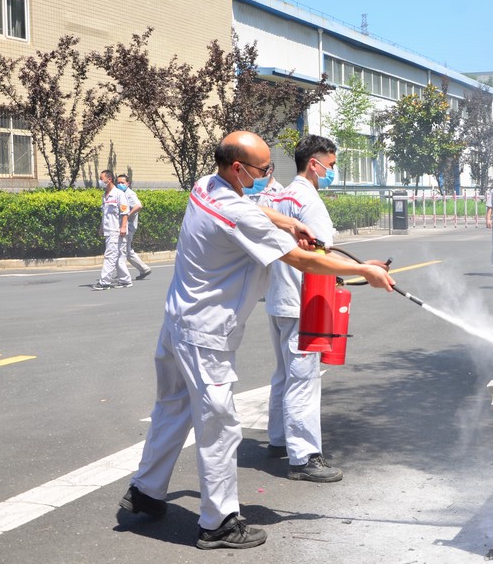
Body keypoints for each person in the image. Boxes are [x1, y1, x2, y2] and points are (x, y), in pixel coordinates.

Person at [118, 131, 394, 550]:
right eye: (263, 170)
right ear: (237, 168)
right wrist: (365, 272)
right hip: (204, 334)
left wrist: (289, 221)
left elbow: (257, 210)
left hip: (177, 323)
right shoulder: (235, 210)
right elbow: (299, 258)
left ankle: (146, 491)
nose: (268, 176)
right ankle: (218, 523)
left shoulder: (205, 186)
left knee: (172, 411)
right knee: (220, 427)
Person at [266, 134, 363, 484]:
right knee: (303, 380)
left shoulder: (279, 195)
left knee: (283, 373)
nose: (333, 171)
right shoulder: (309, 202)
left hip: (279, 296)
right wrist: (361, 271)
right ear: (315, 164)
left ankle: (278, 439)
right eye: (332, 165)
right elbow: (322, 257)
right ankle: (304, 456)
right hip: (302, 300)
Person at [93, 170, 132, 290]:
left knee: (110, 256)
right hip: (108, 230)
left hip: (116, 230)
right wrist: (101, 228)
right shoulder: (105, 195)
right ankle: (125, 280)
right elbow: (104, 214)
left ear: (109, 179)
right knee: (119, 256)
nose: (100, 181)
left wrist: (123, 227)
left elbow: (124, 212)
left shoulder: (119, 194)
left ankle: (104, 282)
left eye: (101, 178)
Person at [115, 174, 152, 280]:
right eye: (118, 182)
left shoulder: (130, 194)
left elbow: (138, 206)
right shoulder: (120, 193)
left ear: (128, 183)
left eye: (122, 182)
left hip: (128, 226)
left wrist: (127, 215)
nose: (120, 184)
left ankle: (144, 269)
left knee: (126, 250)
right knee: (122, 250)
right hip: (124, 225)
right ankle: (121, 272)